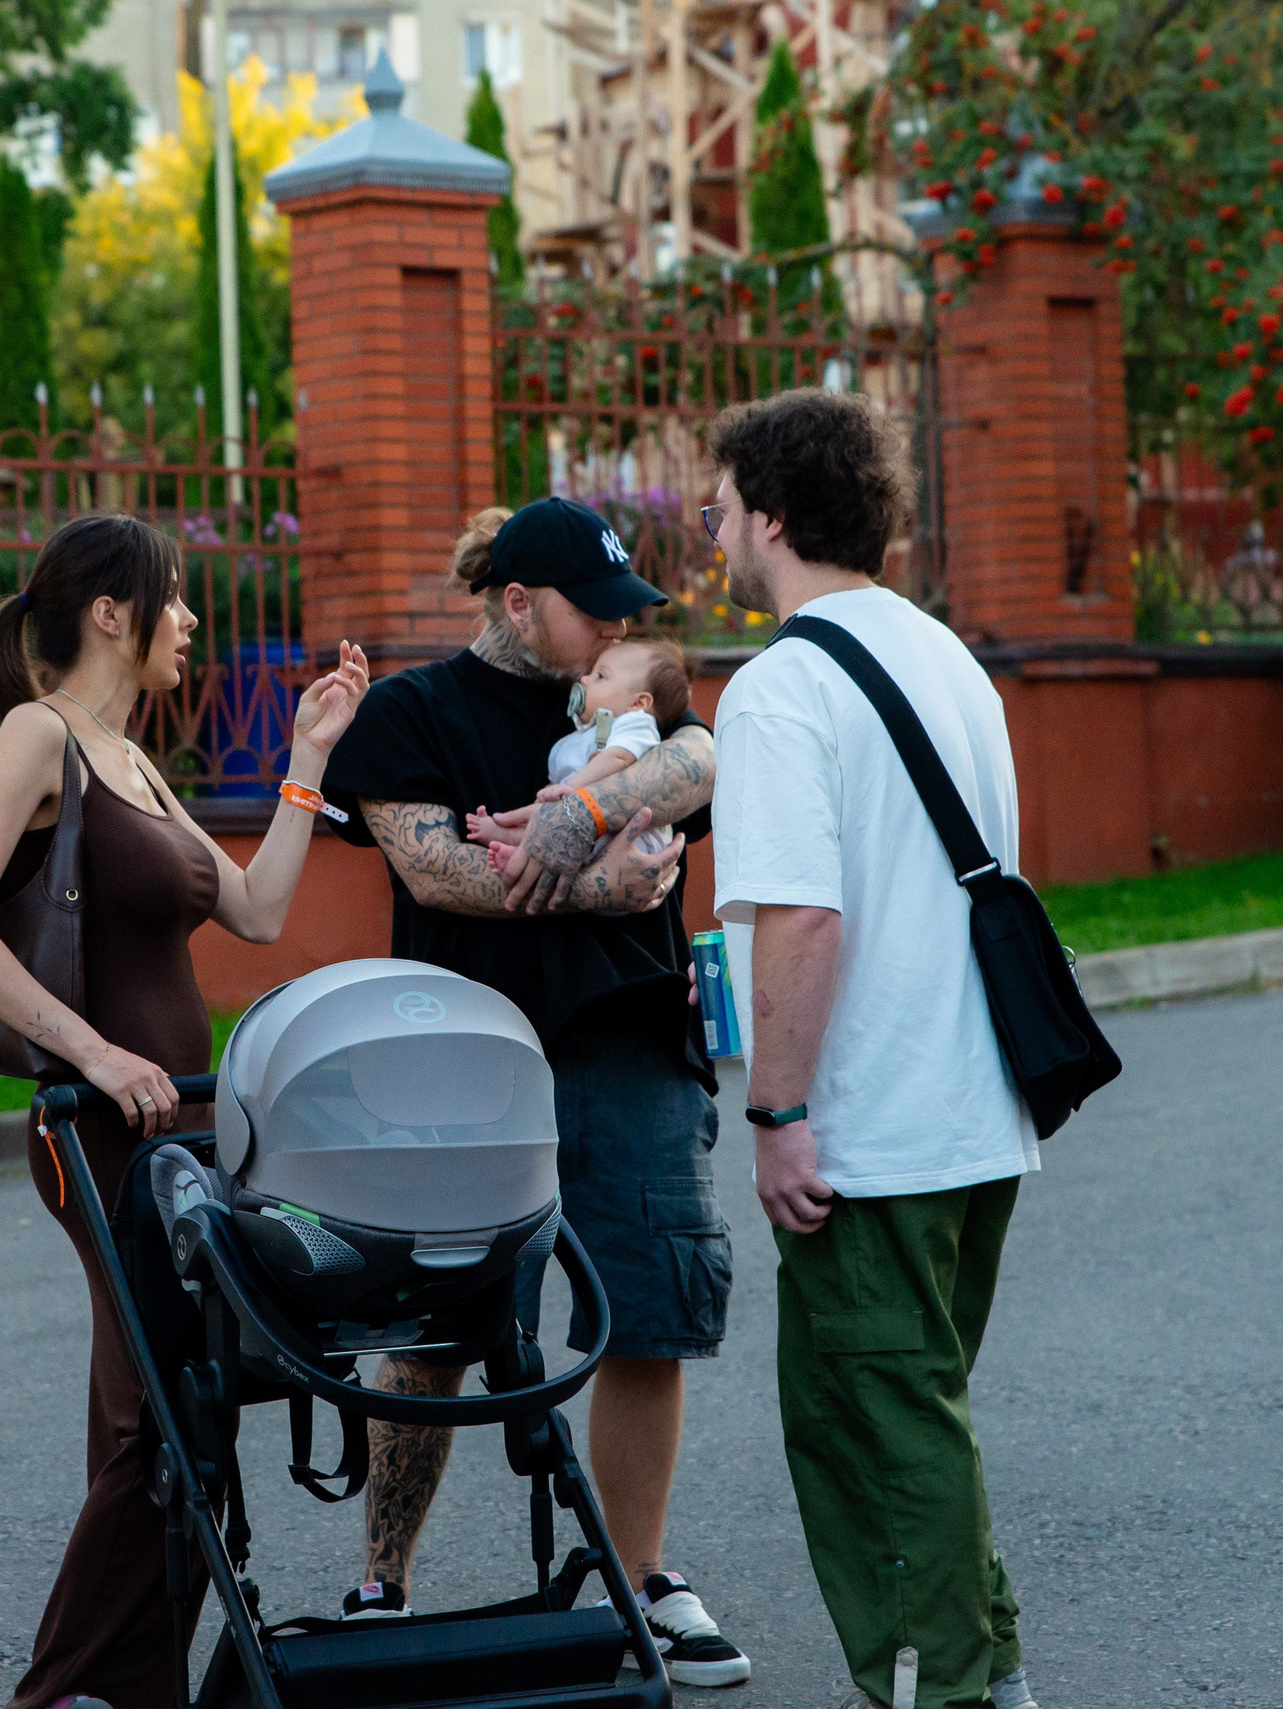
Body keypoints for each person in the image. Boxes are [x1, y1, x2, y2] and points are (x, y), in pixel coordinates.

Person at [0, 513, 371, 1709]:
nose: (190, 619)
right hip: (97, 1128)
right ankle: (64, 1689)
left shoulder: (134, 758)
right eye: (172, 597)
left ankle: (132, 1688)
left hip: (179, 1134)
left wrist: (309, 754)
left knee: (163, 1409)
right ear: (110, 613)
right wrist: (92, 1049)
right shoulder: (42, 733)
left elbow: (258, 910)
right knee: (170, 1417)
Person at [318, 496, 750, 1689]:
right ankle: (383, 1582)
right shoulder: (411, 711)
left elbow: (701, 759)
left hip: (628, 1040)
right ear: (516, 603)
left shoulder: (622, 698)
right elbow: (435, 869)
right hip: (463, 1060)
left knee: (648, 1310)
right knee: (430, 1325)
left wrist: (590, 810)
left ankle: (641, 1578)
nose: (615, 626)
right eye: (591, 608)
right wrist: (602, 883)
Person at [705, 388, 1042, 1709]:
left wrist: (776, 1114)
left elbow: (804, 918)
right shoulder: (943, 654)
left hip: (868, 1137)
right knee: (921, 1421)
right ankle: (988, 1673)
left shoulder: (781, 686)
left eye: (723, 505)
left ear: (773, 516)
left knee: (872, 1444)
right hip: (975, 1115)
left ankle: (938, 1689)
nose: (712, 527)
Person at [465, 636, 692, 870]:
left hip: (631, 838)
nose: (584, 679)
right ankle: (518, 847)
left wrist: (571, 787)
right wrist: (546, 800)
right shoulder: (580, 736)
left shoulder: (636, 723)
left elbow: (618, 757)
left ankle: (512, 835)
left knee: (551, 819)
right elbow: (553, 789)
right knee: (545, 819)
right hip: (586, 832)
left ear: (638, 702)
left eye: (600, 676)